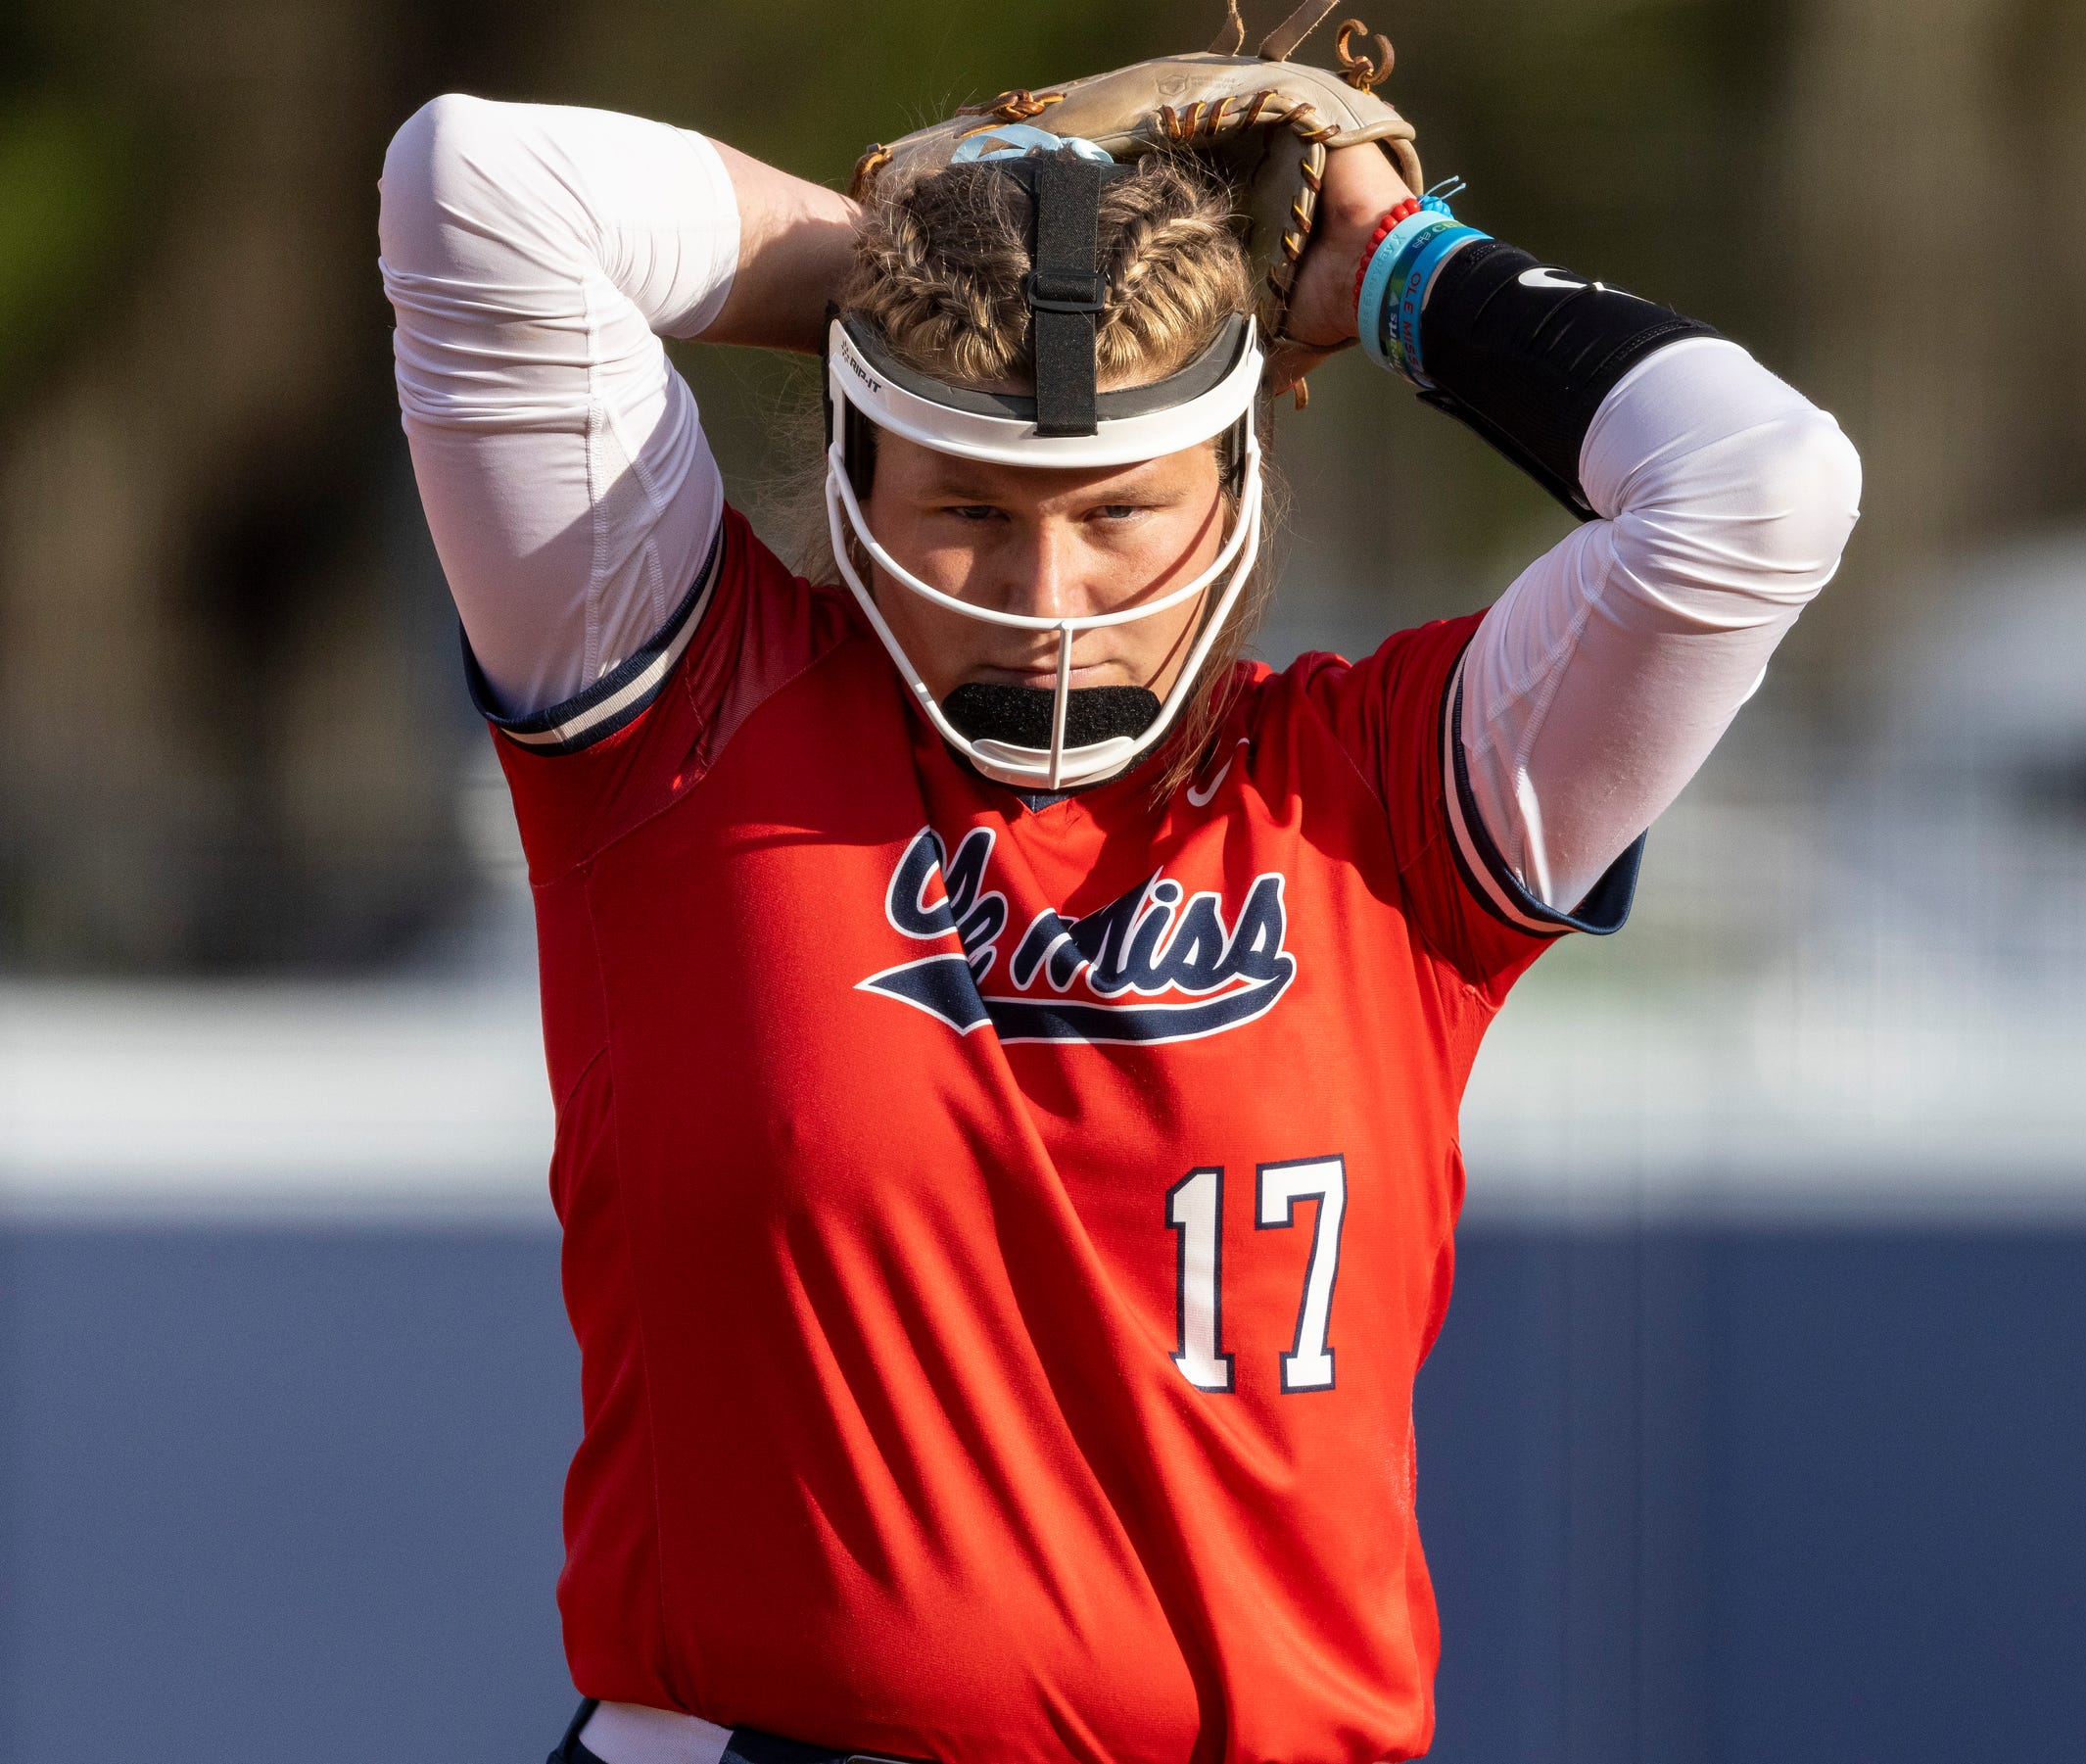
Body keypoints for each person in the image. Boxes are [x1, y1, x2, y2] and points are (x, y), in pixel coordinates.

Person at [378, 41, 1857, 1764]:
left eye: (1121, 507)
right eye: (969, 507)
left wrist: (1389, 273)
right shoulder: (686, 718)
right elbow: (475, 187)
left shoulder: (1384, 799)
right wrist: (921, 258)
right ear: (857, 474)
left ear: (1230, 482)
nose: (1046, 596)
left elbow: (1762, 490)